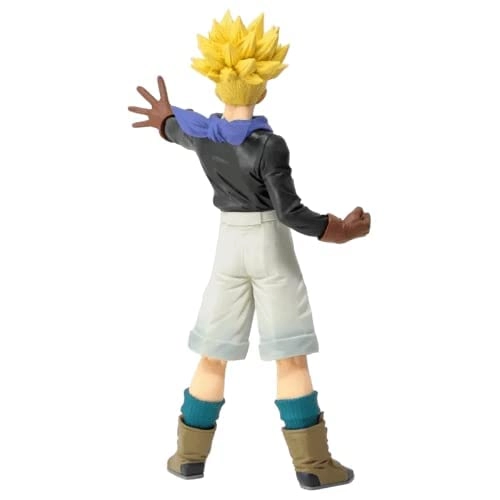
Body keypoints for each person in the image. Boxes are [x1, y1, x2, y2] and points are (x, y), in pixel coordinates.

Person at [128, 10, 370, 490]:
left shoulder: (206, 135)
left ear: (218, 81)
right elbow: (289, 211)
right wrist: (336, 229)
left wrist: (165, 118)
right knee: (290, 355)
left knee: (213, 353)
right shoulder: (268, 145)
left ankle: (188, 457)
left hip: (228, 247)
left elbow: (177, 130)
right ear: (262, 86)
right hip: (268, 246)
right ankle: (313, 465)